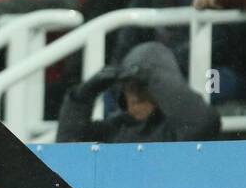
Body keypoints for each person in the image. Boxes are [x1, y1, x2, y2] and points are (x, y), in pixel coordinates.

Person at [56, 41, 220, 142]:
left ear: (163, 88)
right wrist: (83, 96)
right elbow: (69, 145)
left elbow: (205, 122)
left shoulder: (176, 130)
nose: (134, 98)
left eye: (142, 87)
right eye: (128, 89)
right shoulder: (117, 129)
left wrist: (152, 75)